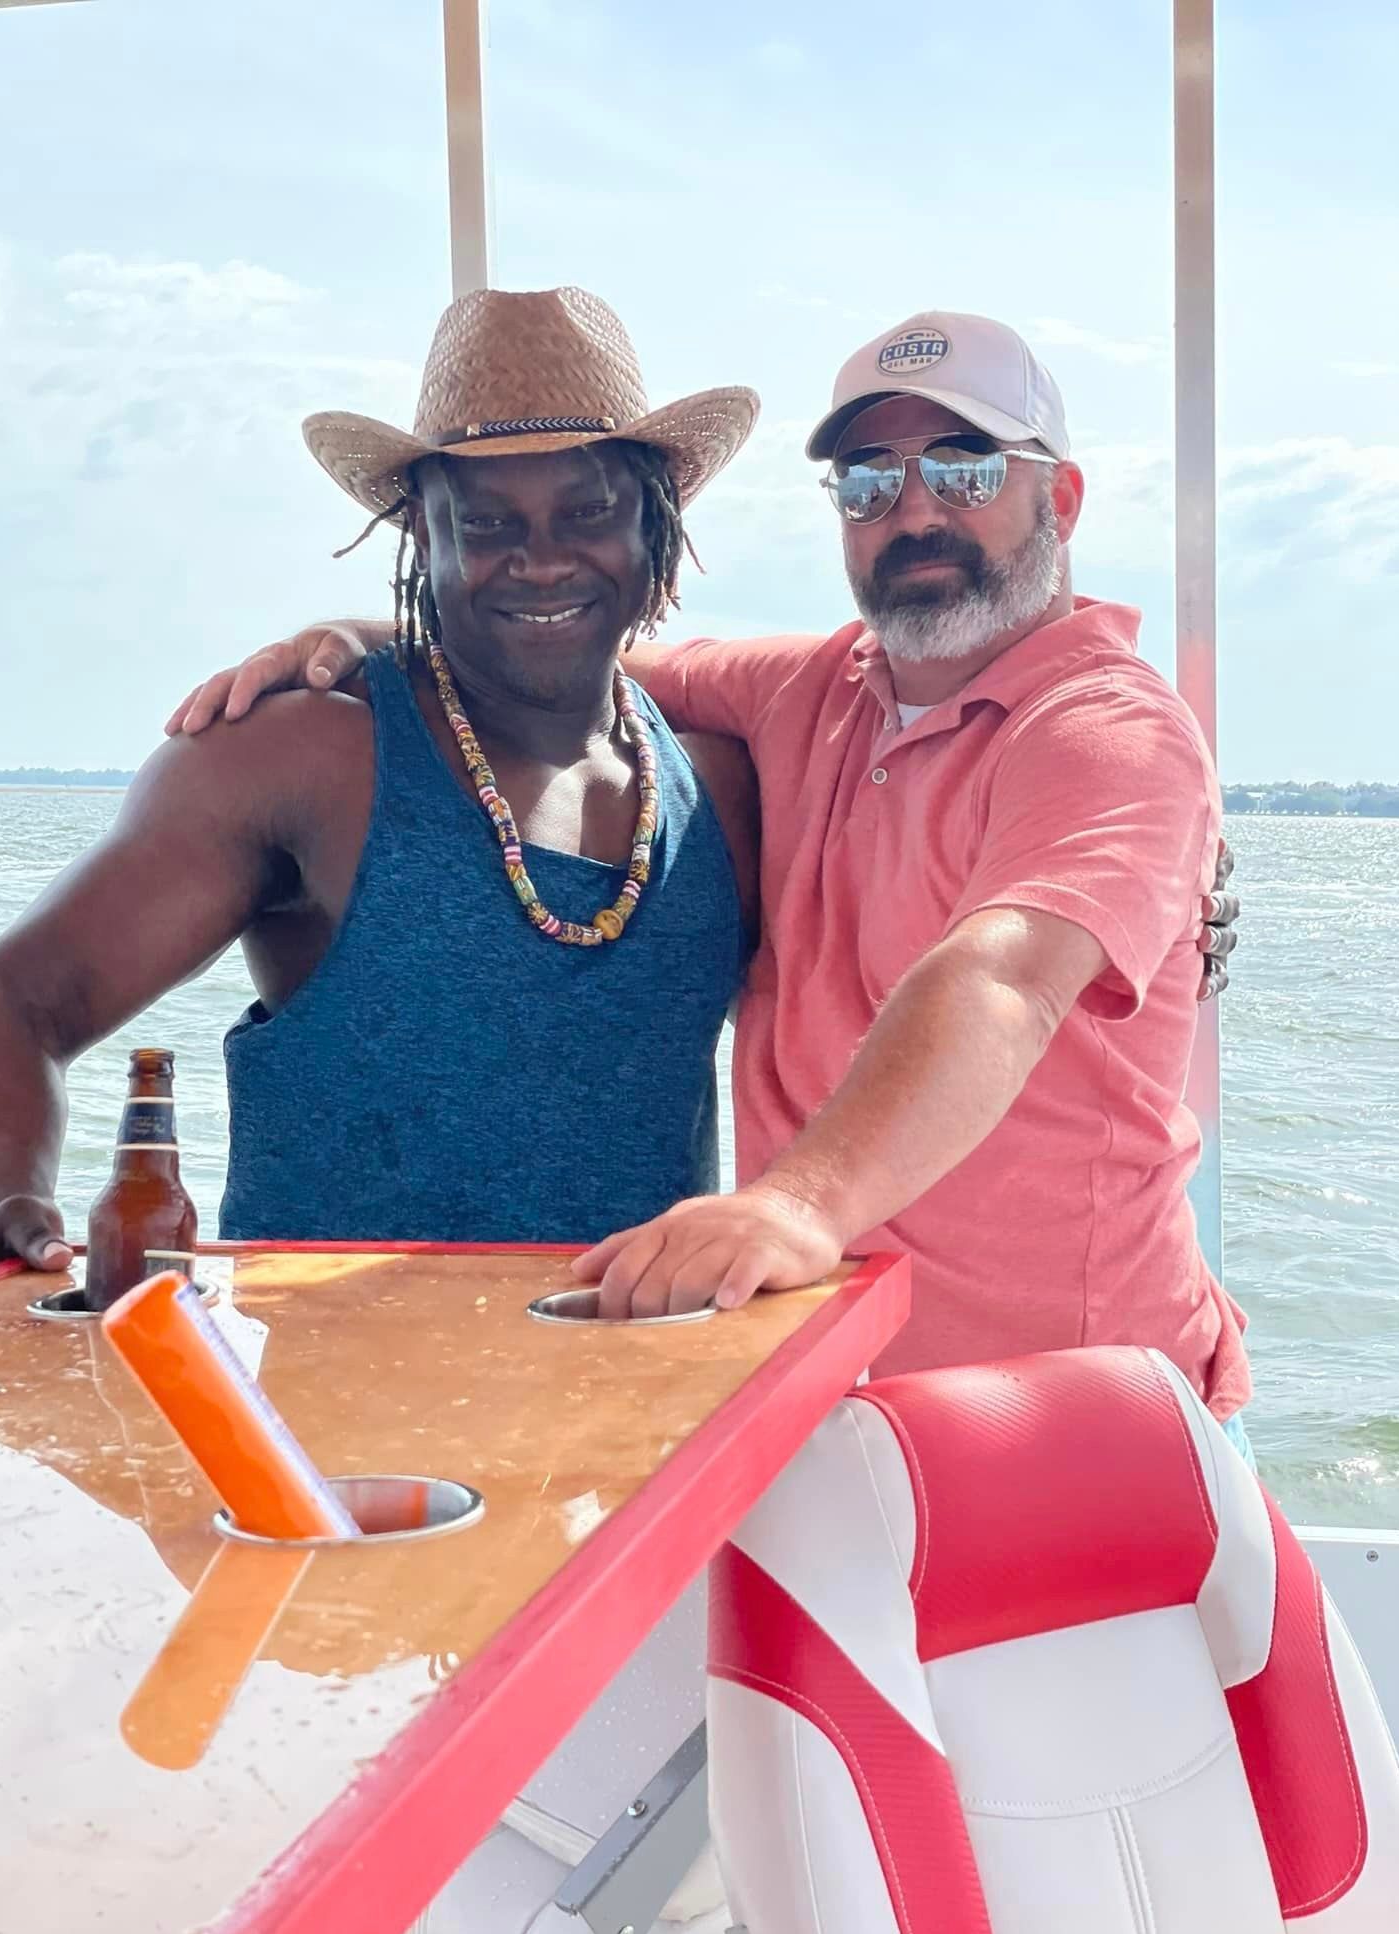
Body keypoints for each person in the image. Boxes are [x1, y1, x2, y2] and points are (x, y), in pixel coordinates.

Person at [173, 309, 1249, 1423]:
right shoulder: (813, 687)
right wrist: (378, 632)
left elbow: (1003, 976)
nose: (916, 510)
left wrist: (796, 1205)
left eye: (965, 468)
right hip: (829, 1390)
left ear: (1059, 500)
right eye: (870, 481)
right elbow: (570, 640)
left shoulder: (1110, 731)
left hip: (1075, 1406)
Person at [0, 283, 761, 1290]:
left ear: (655, 526)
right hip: (316, 1427)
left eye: (587, 513)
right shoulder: (301, 757)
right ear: (421, 536)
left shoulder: (718, 782)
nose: (541, 561)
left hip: (643, 1404)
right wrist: (7, 1208)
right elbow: (7, 1000)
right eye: (487, 523)